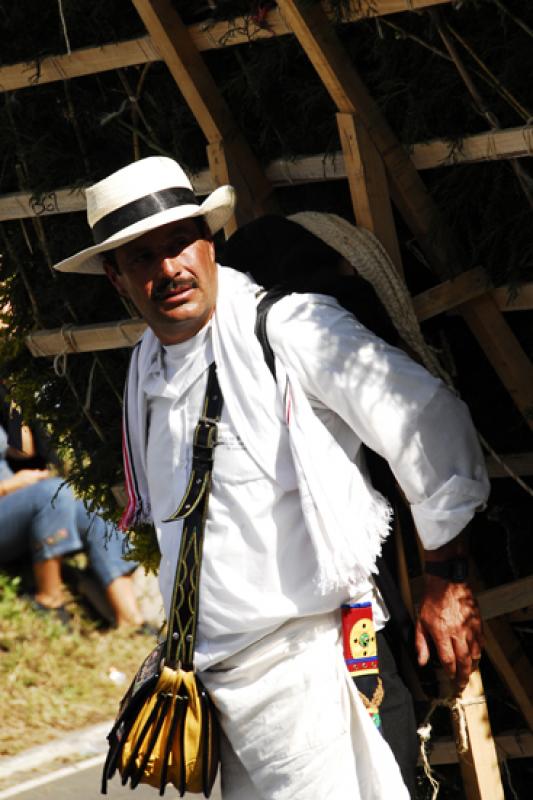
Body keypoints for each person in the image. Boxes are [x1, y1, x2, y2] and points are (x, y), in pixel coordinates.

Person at [54, 156, 489, 799]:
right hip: (223, 698)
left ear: (208, 241)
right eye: (142, 258)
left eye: (179, 244)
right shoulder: (144, 373)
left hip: (318, 675)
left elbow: (424, 417)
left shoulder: (287, 329)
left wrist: (446, 576)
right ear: (117, 278)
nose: (169, 269)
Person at [0, 401, 146, 630]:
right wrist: (11, 486)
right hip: (6, 497)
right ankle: (49, 600)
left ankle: (130, 618)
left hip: (13, 502)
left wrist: (15, 398)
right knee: (52, 493)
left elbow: (23, 449)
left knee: (92, 507)